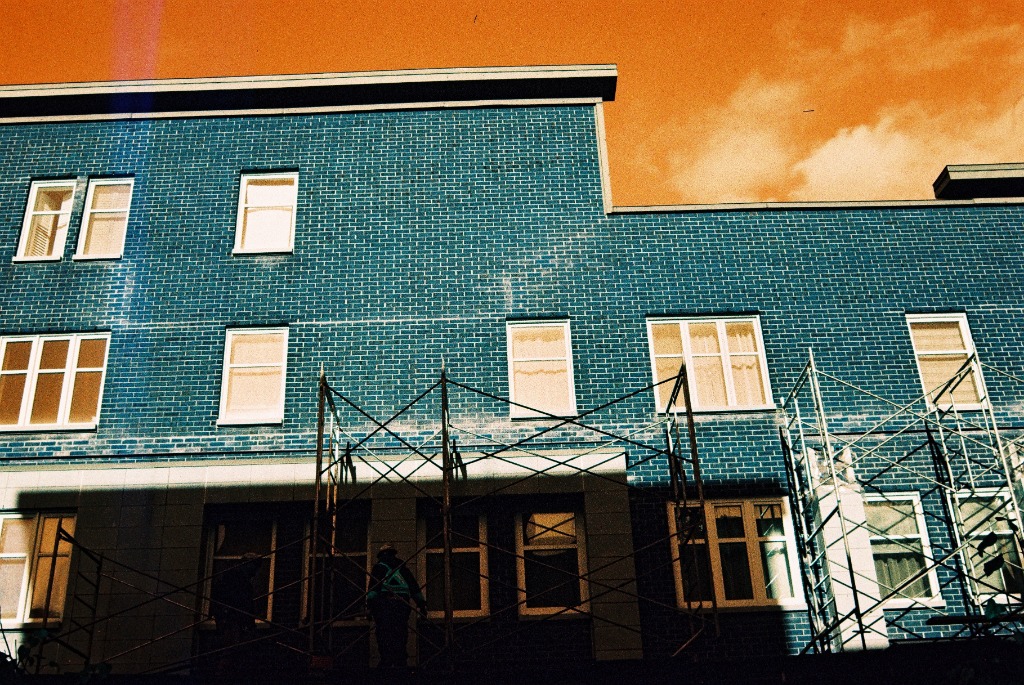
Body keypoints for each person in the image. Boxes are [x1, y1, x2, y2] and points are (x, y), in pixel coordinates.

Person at [366, 544, 426, 670]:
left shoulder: (379, 568)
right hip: (401, 605)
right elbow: (414, 588)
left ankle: (386, 660)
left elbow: (373, 589)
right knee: (400, 632)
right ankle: (400, 660)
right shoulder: (403, 569)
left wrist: (369, 606)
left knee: (384, 632)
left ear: (381, 555)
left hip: (384, 604)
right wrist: (421, 605)